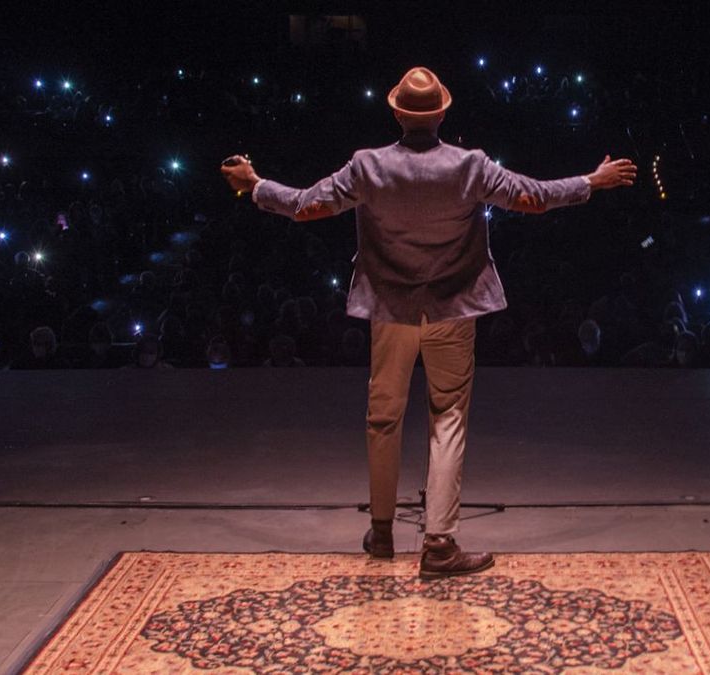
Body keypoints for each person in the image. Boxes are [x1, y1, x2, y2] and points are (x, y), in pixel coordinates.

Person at [222, 66, 637, 579]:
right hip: (452, 309)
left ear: (397, 112)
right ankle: (439, 544)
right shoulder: (470, 166)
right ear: (442, 113)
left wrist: (255, 185)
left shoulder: (367, 166)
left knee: (383, 419)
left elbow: (306, 207)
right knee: (448, 418)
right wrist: (590, 183)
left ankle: (381, 531)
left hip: (391, 312)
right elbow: (534, 198)